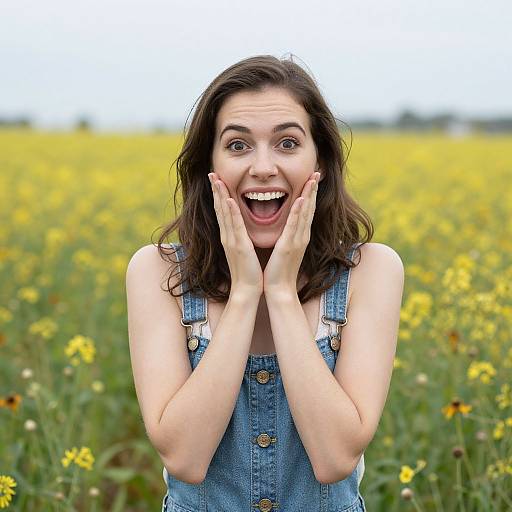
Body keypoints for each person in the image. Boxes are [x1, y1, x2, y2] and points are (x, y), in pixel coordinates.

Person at [126, 54, 404, 511]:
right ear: (207, 164)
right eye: (237, 145)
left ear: (321, 161)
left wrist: (279, 292)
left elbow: (335, 457)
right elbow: (185, 458)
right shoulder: (156, 272)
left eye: (287, 144)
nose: (262, 167)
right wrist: (242, 295)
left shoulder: (371, 271)